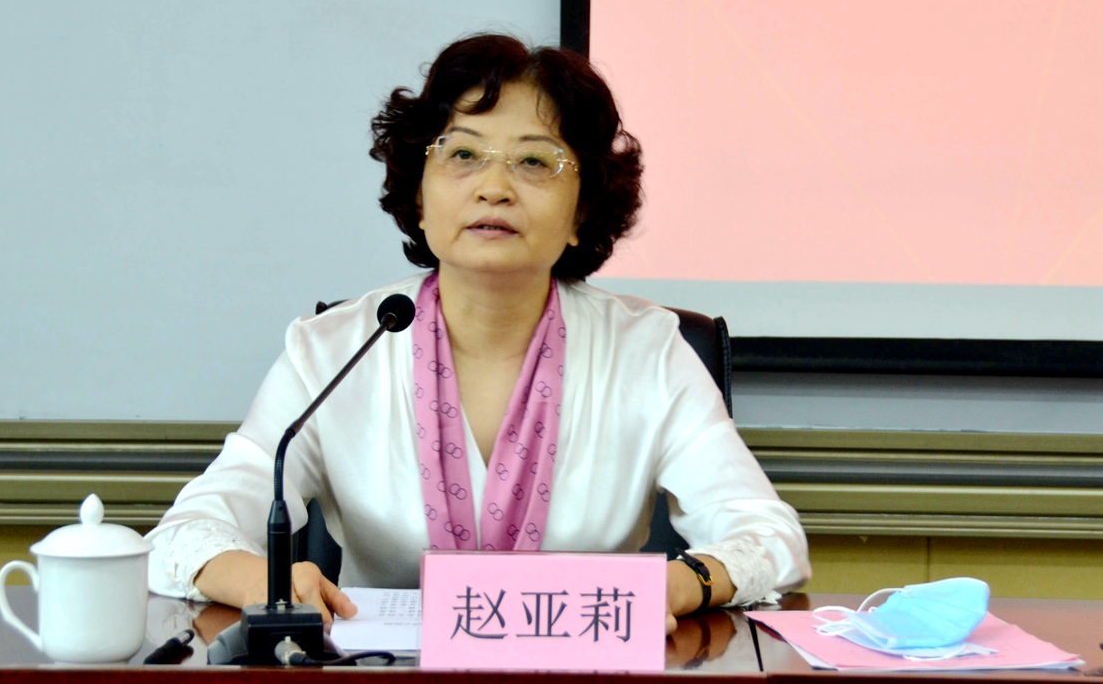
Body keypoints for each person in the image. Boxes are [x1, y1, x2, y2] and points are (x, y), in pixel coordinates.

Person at [145, 34, 810, 634]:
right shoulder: (334, 350)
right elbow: (186, 533)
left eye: (535, 162)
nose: (494, 187)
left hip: (586, 680)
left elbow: (770, 537)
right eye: (462, 154)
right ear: (420, 195)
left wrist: (681, 583)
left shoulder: (647, 350)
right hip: (382, 683)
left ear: (582, 211)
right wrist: (261, 580)